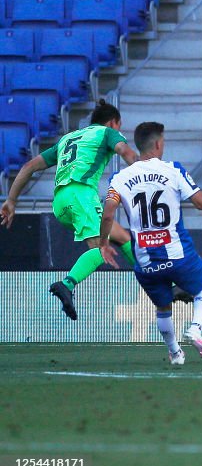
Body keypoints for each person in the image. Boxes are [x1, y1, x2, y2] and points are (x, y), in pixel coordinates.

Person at [2, 100, 139, 320]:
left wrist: (11, 200)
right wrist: (150, 173)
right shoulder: (107, 133)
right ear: (113, 122)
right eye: (119, 126)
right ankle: (67, 284)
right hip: (81, 195)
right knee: (101, 248)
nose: (119, 130)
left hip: (60, 203)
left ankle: (152, 278)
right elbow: (127, 153)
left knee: (121, 237)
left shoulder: (67, 139)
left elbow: (28, 167)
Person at [101, 122, 202, 364]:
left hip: (145, 260)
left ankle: (175, 352)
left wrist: (104, 243)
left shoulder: (119, 178)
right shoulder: (173, 170)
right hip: (177, 254)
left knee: (163, 306)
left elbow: (108, 213)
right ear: (158, 144)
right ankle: (196, 329)